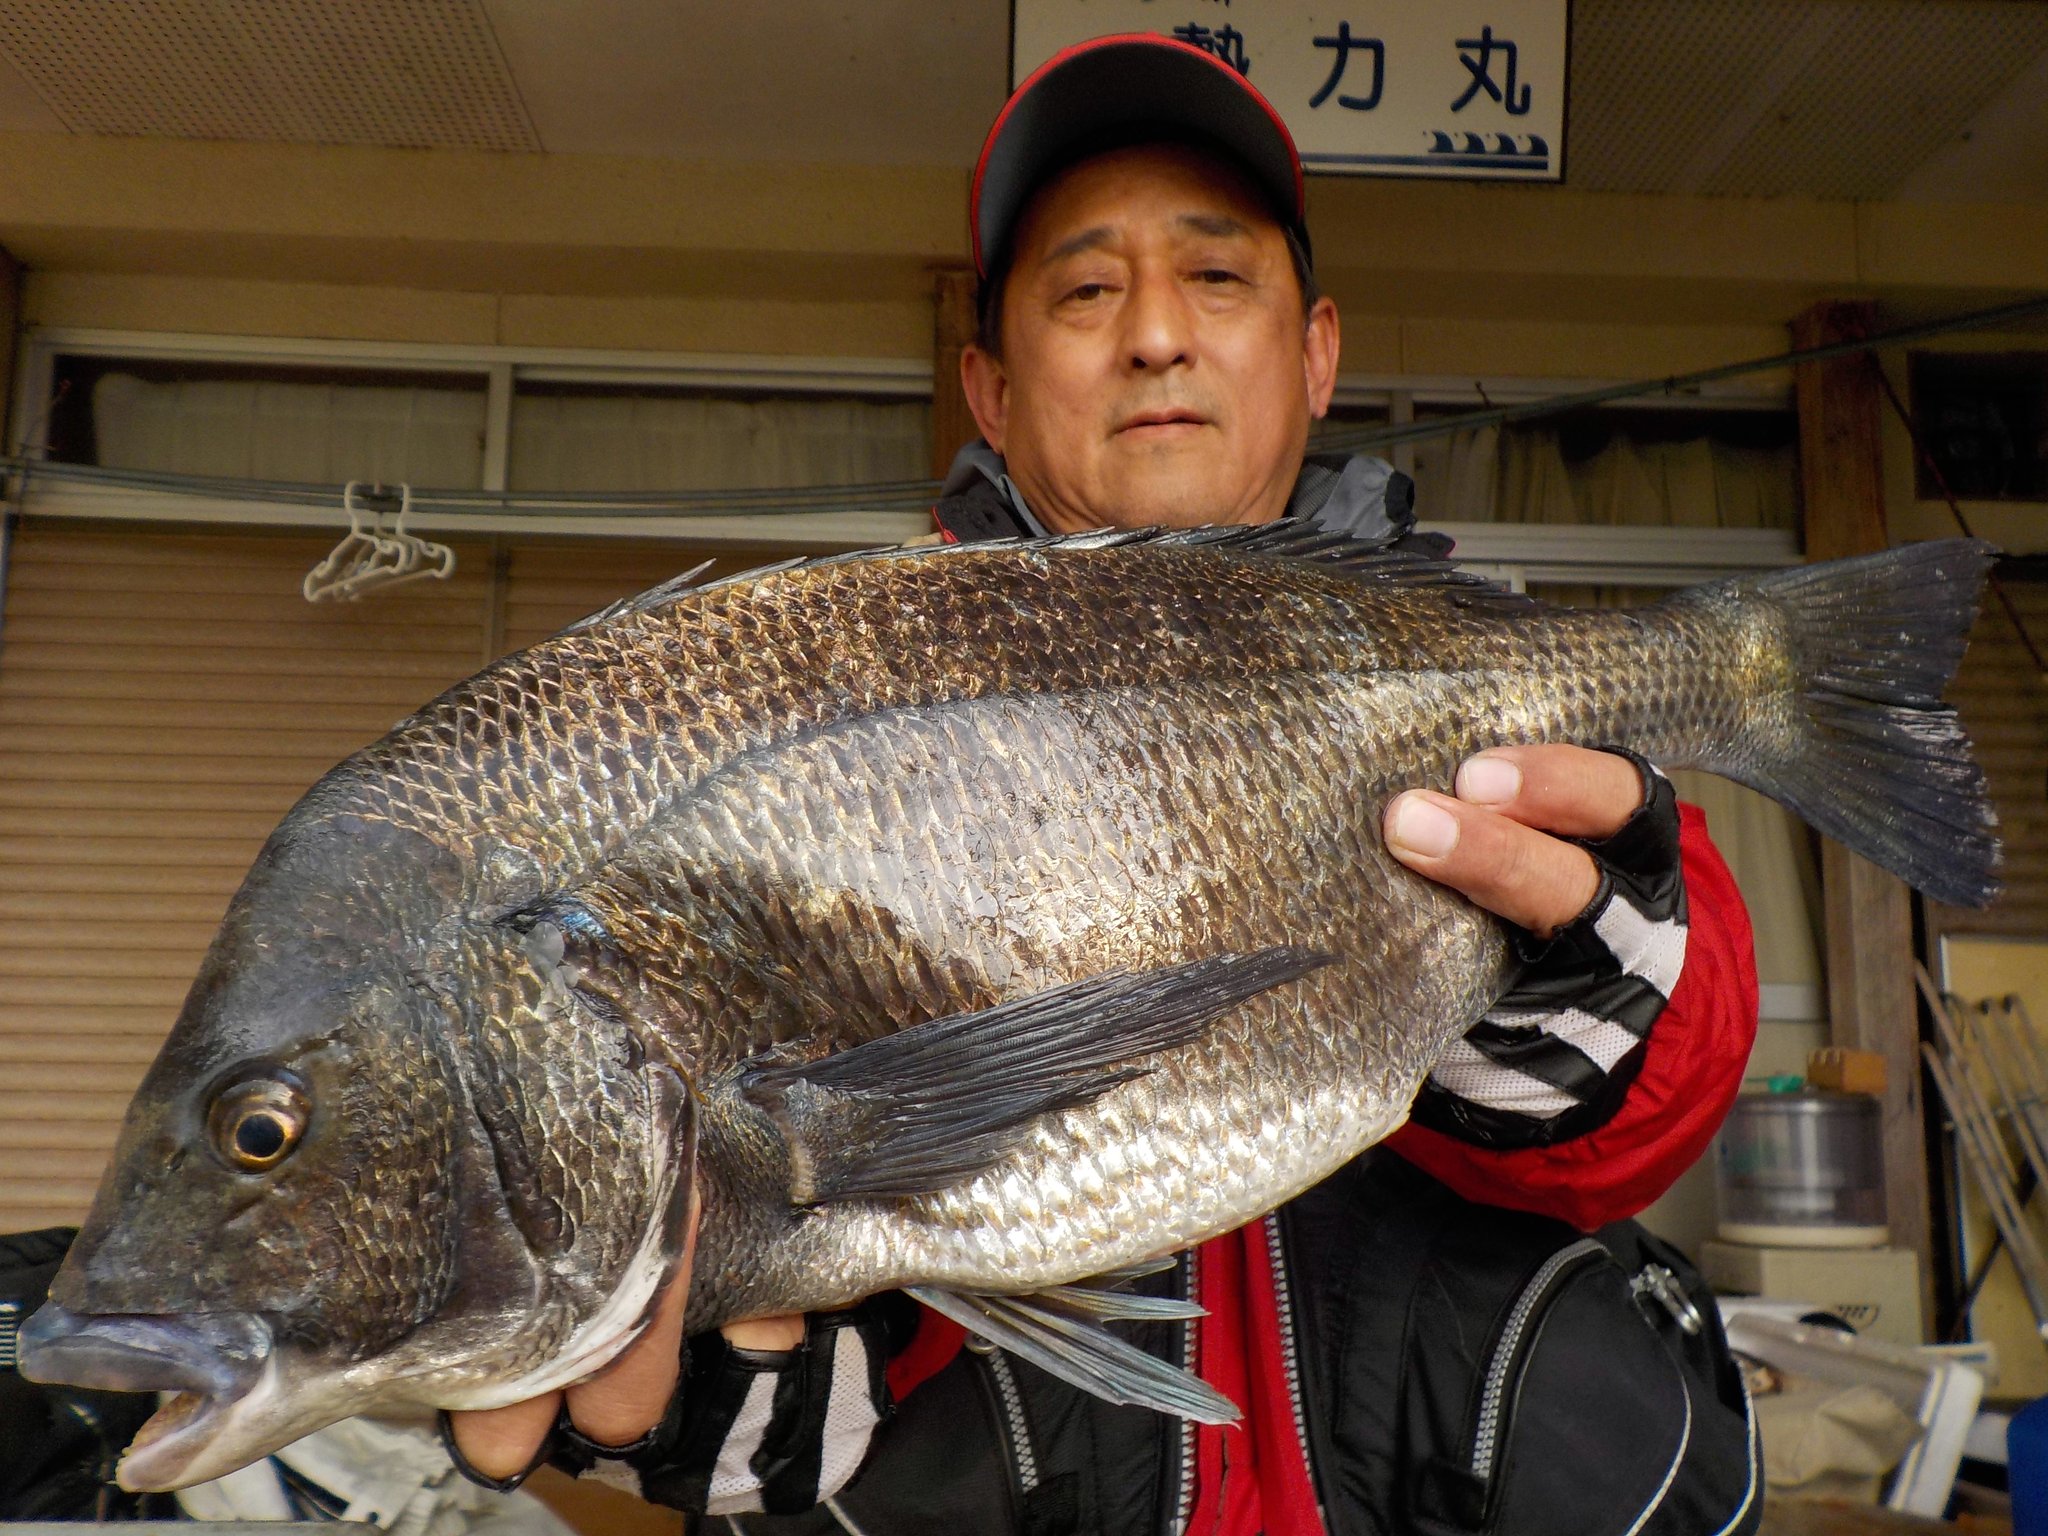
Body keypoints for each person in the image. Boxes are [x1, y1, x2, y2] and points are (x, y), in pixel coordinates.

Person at [446, 35, 1763, 1533]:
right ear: (990, 387)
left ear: (1319, 352)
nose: (1154, 336)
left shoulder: (1482, 669)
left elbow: (1667, 1094)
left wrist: (1581, 1009)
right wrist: (707, 1359)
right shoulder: (825, 715)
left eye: (1216, 278)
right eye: (1085, 289)